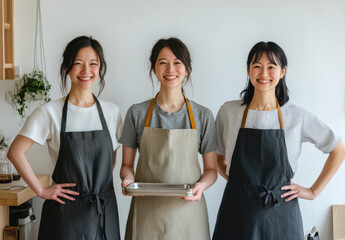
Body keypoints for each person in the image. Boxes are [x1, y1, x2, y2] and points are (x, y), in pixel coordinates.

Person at [212, 41, 345, 240]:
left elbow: (338, 149)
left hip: (281, 215)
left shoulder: (296, 116)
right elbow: (219, 157)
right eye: (257, 66)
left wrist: (313, 191)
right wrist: (239, 185)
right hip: (237, 211)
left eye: (271, 67)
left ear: (282, 72)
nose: (263, 73)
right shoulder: (228, 112)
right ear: (248, 70)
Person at [7, 36, 122, 240]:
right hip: (65, 216)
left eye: (93, 64)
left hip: (104, 212)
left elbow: (110, 160)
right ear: (67, 68)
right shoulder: (50, 112)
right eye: (78, 63)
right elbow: (15, 152)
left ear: (100, 68)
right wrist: (41, 190)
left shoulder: (112, 112)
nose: (86, 71)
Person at [120, 37, 217, 240]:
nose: (170, 69)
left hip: (189, 213)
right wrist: (128, 179)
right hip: (147, 213)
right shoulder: (136, 113)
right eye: (162, 62)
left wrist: (201, 186)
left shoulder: (203, 115)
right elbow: (127, 165)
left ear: (186, 69)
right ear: (154, 69)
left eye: (177, 63)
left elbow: (211, 171)